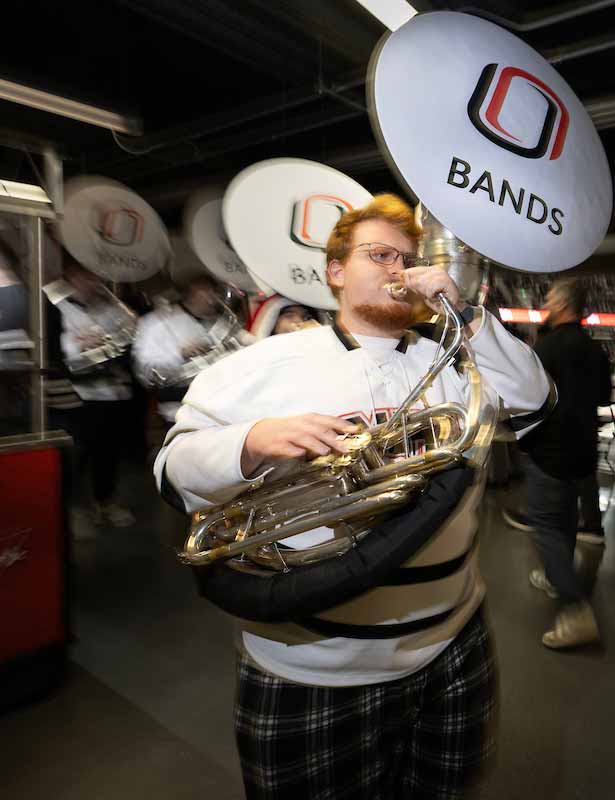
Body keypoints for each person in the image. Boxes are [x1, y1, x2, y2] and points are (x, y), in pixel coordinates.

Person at [153, 194, 552, 798]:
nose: (400, 270)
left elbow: (533, 400)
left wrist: (465, 311)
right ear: (336, 271)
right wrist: (253, 441)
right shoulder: (265, 362)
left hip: (453, 641)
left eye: (411, 259)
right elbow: (172, 469)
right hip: (312, 666)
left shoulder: (455, 360)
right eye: (380, 255)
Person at [518, 278, 611, 649]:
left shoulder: (546, 348)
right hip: (583, 449)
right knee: (568, 518)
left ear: (562, 303)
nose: (546, 301)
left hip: (550, 450)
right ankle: (557, 578)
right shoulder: (594, 348)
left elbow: (528, 397)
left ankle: (574, 610)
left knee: (546, 525)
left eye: (550, 297)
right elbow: (604, 394)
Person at [47, 260, 137, 528]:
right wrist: (80, 347)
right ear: (71, 276)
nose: (94, 282)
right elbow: (57, 353)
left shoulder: (112, 308)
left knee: (107, 453)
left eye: (96, 276)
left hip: (111, 393)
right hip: (74, 395)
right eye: (87, 276)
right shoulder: (54, 306)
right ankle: (74, 508)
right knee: (76, 456)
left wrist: (106, 343)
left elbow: (128, 347)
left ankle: (105, 501)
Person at [133, 274, 254, 423]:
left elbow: (249, 345)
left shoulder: (219, 322)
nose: (214, 298)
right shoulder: (155, 323)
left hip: (221, 411)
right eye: (209, 291)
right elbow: (145, 372)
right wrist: (180, 353)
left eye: (216, 291)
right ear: (195, 292)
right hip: (178, 414)